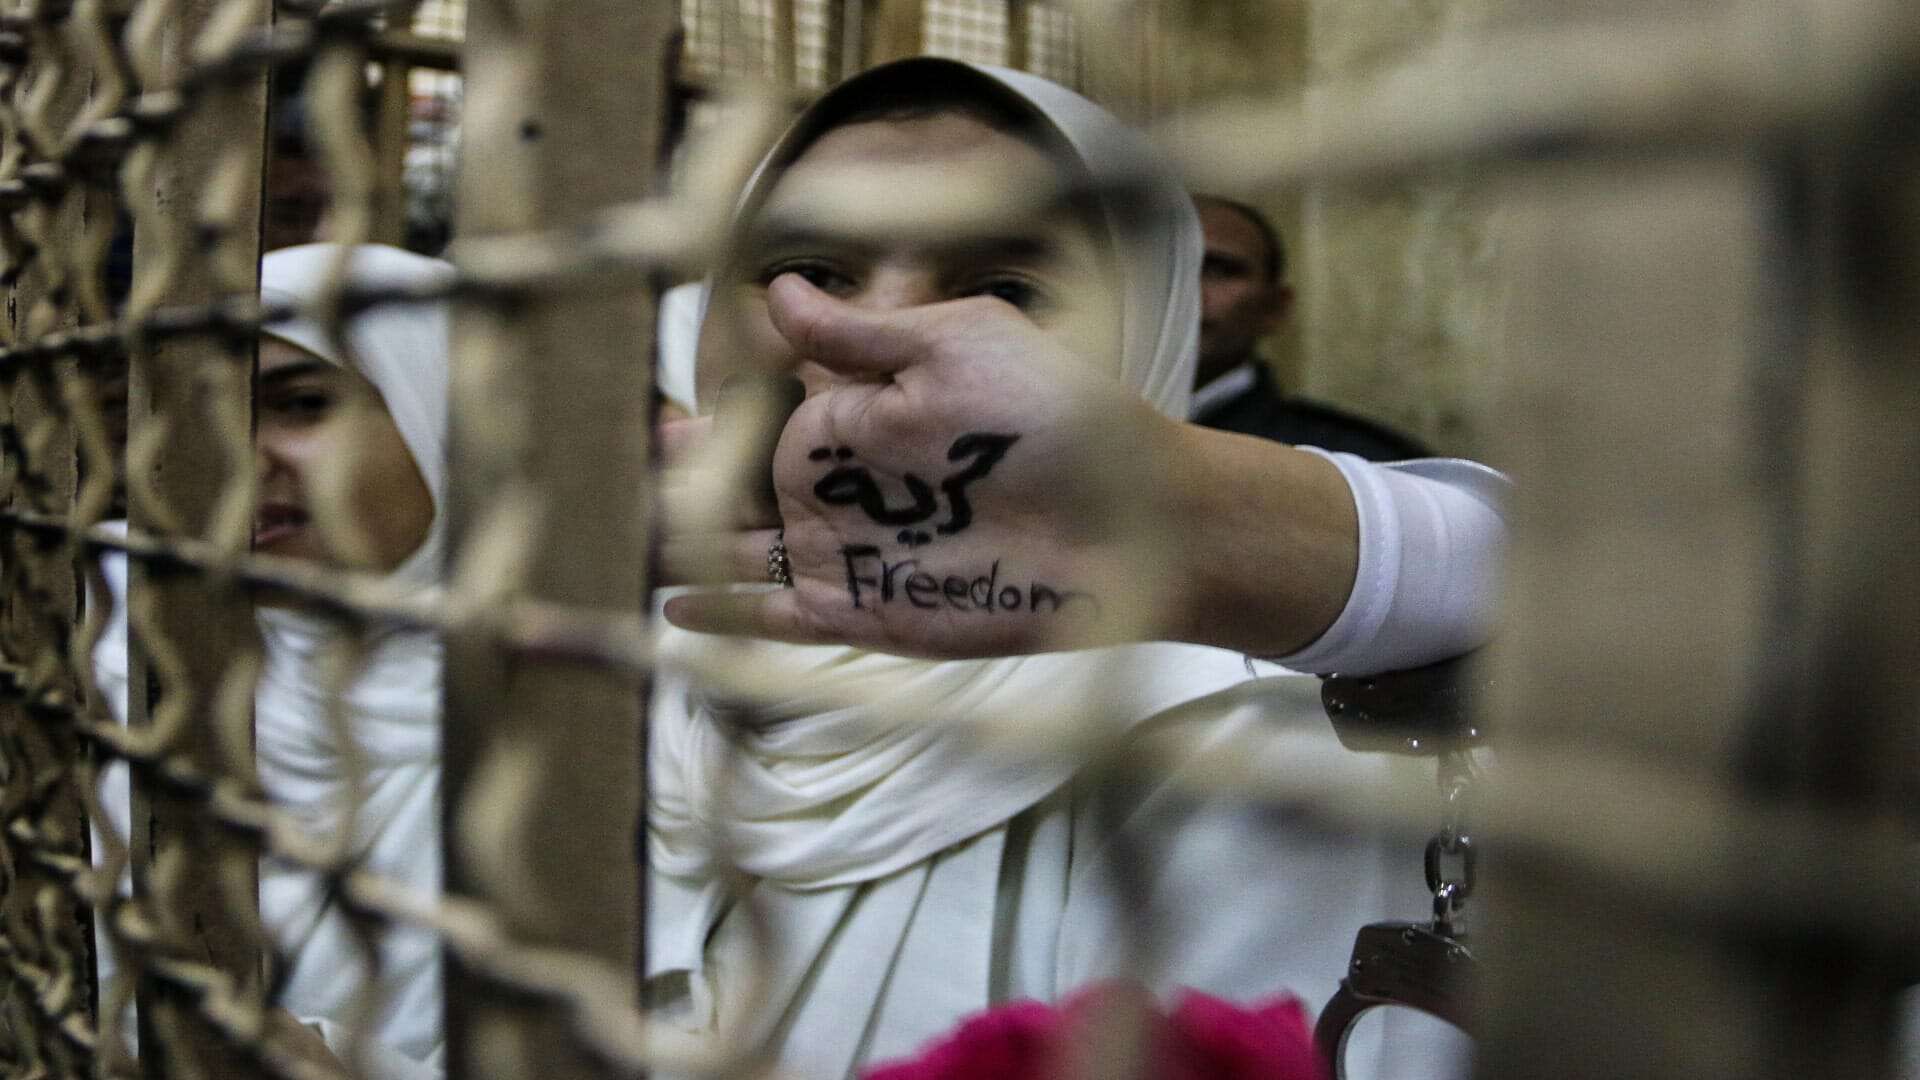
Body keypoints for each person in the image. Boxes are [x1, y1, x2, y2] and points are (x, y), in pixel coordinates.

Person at [648, 57, 1477, 1079]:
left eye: (1007, 291)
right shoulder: (622, 656)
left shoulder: (1222, 743)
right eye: (810, 272)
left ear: (1150, 333)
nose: (871, 340)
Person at [91, 243, 452, 1080]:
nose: (242, 461)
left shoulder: (614, 712)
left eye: (301, 405)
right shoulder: (120, 634)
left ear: (447, 409)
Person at [1190, 196, 1429, 461]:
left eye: (1219, 271)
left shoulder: (1353, 462)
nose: (1184, 292)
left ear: (1274, 307)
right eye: (1163, 270)